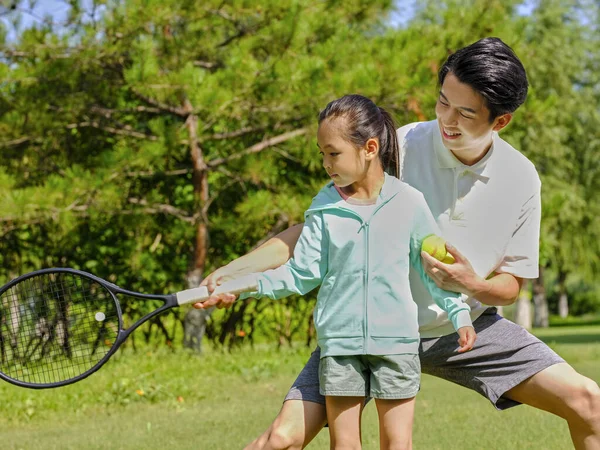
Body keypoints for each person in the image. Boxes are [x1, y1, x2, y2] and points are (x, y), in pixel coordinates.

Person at [196, 37, 600, 449]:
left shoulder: (521, 179)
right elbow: (318, 229)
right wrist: (238, 270)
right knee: (279, 439)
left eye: (465, 112)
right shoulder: (399, 145)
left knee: (590, 403)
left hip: (465, 329)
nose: (447, 119)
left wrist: (472, 284)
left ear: (500, 122)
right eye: (443, 101)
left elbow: (512, 283)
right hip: (368, 326)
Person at [221, 94, 476, 449]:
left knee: (397, 445)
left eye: (333, 153)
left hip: (397, 345)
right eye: (321, 153)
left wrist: (459, 313)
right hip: (340, 347)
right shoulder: (324, 206)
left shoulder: (409, 202)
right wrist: (243, 284)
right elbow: (299, 273)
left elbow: (434, 270)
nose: (326, 163)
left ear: (370, 148)